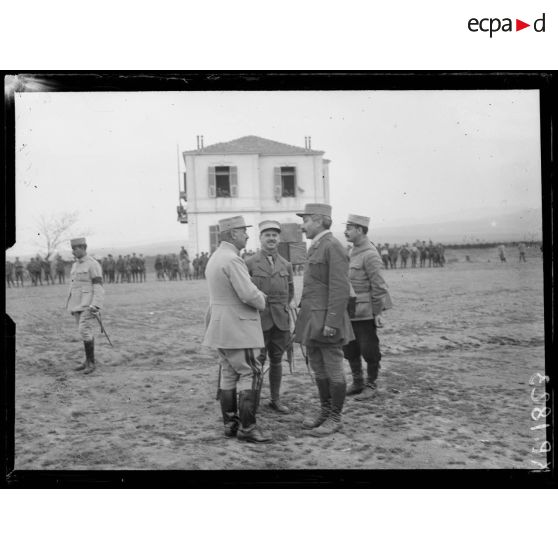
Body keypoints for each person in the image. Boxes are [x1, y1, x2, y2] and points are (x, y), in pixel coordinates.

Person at [203, 216, 272, 443]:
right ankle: (248, 428)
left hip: (221, 327)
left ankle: (230, 425)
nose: (247, 235)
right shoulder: (233, 259)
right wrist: (262, 299)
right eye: (243, 231)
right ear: (232, 233)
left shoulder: (215, 257)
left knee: (229, 374)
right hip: (238, 327)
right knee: (251, 372)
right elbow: (248, 293)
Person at [294, 203, 354, 436]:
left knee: (333, 370)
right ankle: (325, 412)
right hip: (312, 319)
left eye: (306, 220)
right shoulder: (316, 246)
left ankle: (335, 418)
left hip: (327, 321)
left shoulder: (332, 246)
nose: (303, 225)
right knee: (318, 369)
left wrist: (332, 322)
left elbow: (340, 289)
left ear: (319, 220)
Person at [246, 220, 295, 414]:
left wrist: (284, 306)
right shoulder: (250, 263)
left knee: (276, 361)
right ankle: (254, 401)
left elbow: (291, 292)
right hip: (258, 320)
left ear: (279, 238)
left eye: (275, 235)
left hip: (280, 321)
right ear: (260, 238)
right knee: (257, 362)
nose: (272, 238)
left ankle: (275, 399)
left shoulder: (286, 264)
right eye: (267, 235)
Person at [343, 214, 393, 399]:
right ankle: (357, 382)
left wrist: (378, 312)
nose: (345, 231)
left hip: (365, 312)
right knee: (350, 348)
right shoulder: (352, 252)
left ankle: (371, 384)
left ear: (360, 230)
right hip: (350, 311)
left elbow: (379, 286)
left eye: (349, 228)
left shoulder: (370, 254)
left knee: (369, 349)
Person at [66, 238, 105, 374]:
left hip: (89, 304)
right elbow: (73, 287)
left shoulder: (92, 264)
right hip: (77, 305)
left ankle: (91, 363)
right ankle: (87, 361)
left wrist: (96, 305)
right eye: (72, 248)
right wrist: (71, 306)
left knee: (84, 330)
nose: (74, 251)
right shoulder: (75, 265)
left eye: (76, 248)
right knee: (84, 332)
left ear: (84, 248)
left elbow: (98, 286)